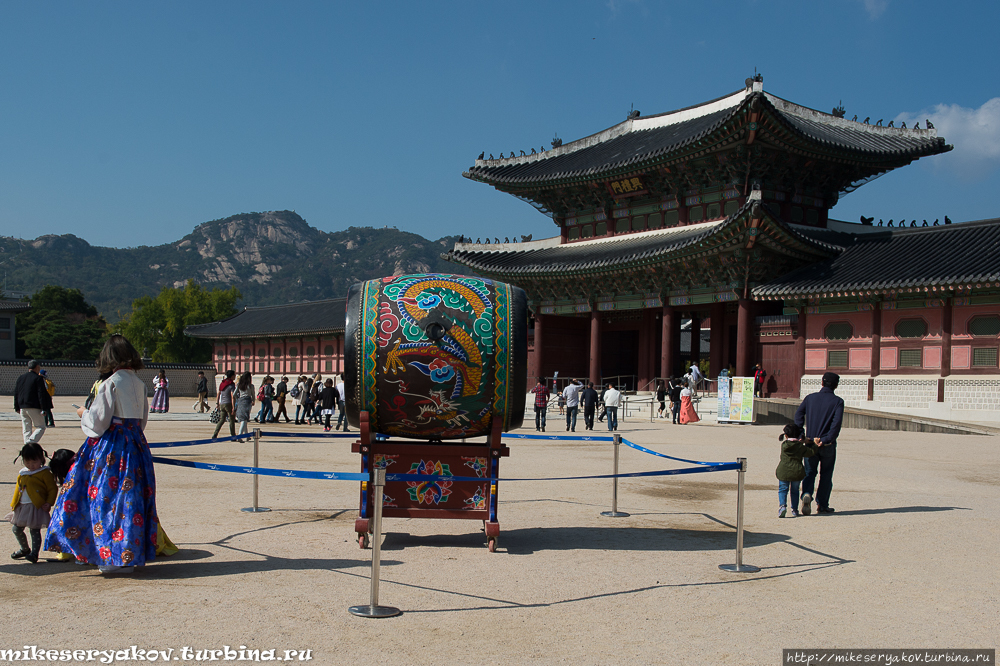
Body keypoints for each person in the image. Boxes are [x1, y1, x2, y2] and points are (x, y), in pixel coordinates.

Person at [45, 334, 159, 574]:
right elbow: (143, 420)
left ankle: (106, 555)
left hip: (112, 447)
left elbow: (98, 423)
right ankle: (127, 553)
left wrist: (83, 414)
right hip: (136, 443)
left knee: (102, 497)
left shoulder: (111, 383)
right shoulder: (140, 383)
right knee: (131, 500)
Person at [794, 372, 844, 515]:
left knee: (809, 472)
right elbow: (836, 424)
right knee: (826, 474)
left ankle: (807, 494)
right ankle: (822, 504)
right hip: (827, 444)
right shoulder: (837, 402)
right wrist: (827, 439)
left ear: (822, 383)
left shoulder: (810, 398)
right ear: (836, 385)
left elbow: (798, 414)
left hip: (810, 442)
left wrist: (801, 433)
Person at [7, 443, 57, 563]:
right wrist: (14, 504)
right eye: (27, 462)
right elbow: (18, 489)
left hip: (36, 506)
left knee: (34, 530)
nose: (31, 465)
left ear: (41, 458)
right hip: (22, 506)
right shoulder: (23, 473)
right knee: (16, 529)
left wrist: (49, 503)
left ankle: (34, 553)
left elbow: (52, 489)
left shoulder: (44, 473)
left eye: (34, 462)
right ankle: (25, 549)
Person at [775, 423, 818, 518]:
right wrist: (814, 444)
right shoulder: (800, 447)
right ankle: (794, 509)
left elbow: (792, 443)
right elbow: (810, 452)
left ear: (786, 435)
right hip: (796, 472)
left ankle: (782, 506)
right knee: (795, 490)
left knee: (783, 489)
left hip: (783, 471)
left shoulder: (784, 445)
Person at [14, 360, 52, 444]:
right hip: (34, 406)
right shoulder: (38, 378)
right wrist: (44, 408)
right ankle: (29, 443)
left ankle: (27, 447)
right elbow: (41, 393)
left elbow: (16, 392)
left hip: (22, 406)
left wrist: (16, 406)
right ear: (37, 367)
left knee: (26, 429)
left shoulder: (21, 378)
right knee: (40, 427)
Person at [212, 370, 237, 440]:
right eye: (234, 375)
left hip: (222, 403)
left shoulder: (222, 383)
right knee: (231, 420)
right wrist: (233, 406)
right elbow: (232, 396)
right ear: (232, 376)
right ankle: (233, 436)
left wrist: (217, 403)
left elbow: (218, 393)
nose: (235, 377)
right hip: (228, 403)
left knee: (221, 420)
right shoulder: (231, 384)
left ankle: (215, 434)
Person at [233, 372, 255, 442]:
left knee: (243, 418)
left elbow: (234, 394)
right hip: (247, 401)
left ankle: (247, 435)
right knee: (244, 419)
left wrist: (238, 398)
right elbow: (253, 394)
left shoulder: (239, 385)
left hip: (240, 400)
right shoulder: (250, 386)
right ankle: (240, 435)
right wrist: (253, 401)